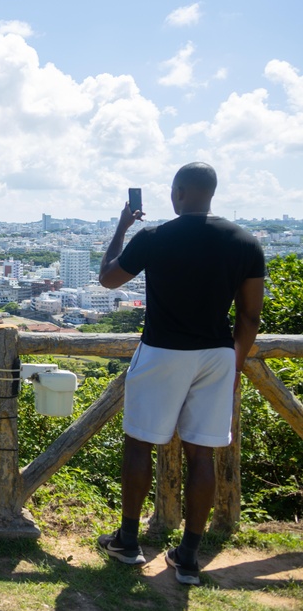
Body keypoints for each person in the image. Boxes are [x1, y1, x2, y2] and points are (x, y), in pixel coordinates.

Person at [96, 162, 265, 585]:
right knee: (201, 453)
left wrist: (121, 227)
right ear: (211, 192)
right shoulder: (246, 242)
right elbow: (250, 316)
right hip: (216, 355)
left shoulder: (155, 236)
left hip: (163, 351)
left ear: (180, 192)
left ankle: (129, 541)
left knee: (139, 443)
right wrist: (235, 363)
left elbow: (108, 279)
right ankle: (188, 554)